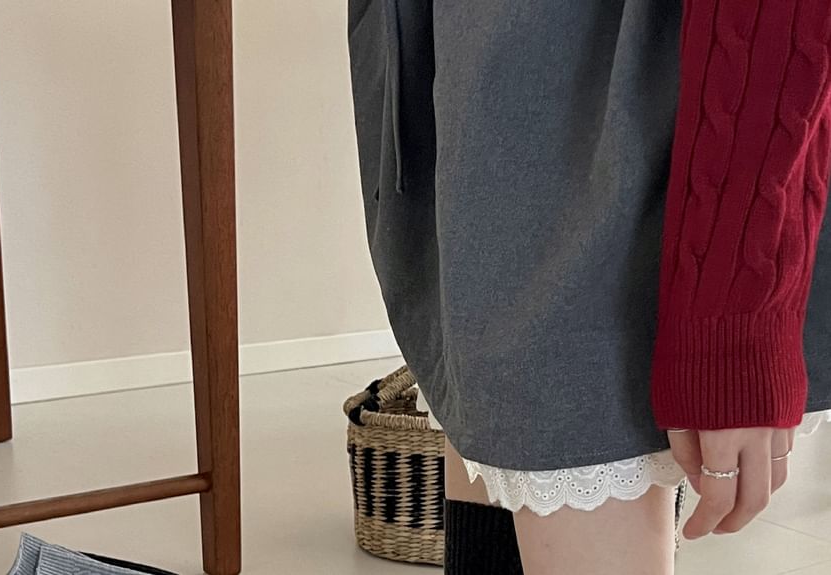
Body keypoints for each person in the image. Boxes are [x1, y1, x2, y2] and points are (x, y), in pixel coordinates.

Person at [346, 1, 831, 573]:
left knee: (559, 454)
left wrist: (738, 310)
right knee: (494, 459)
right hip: (470, 122)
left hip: (611, 138)